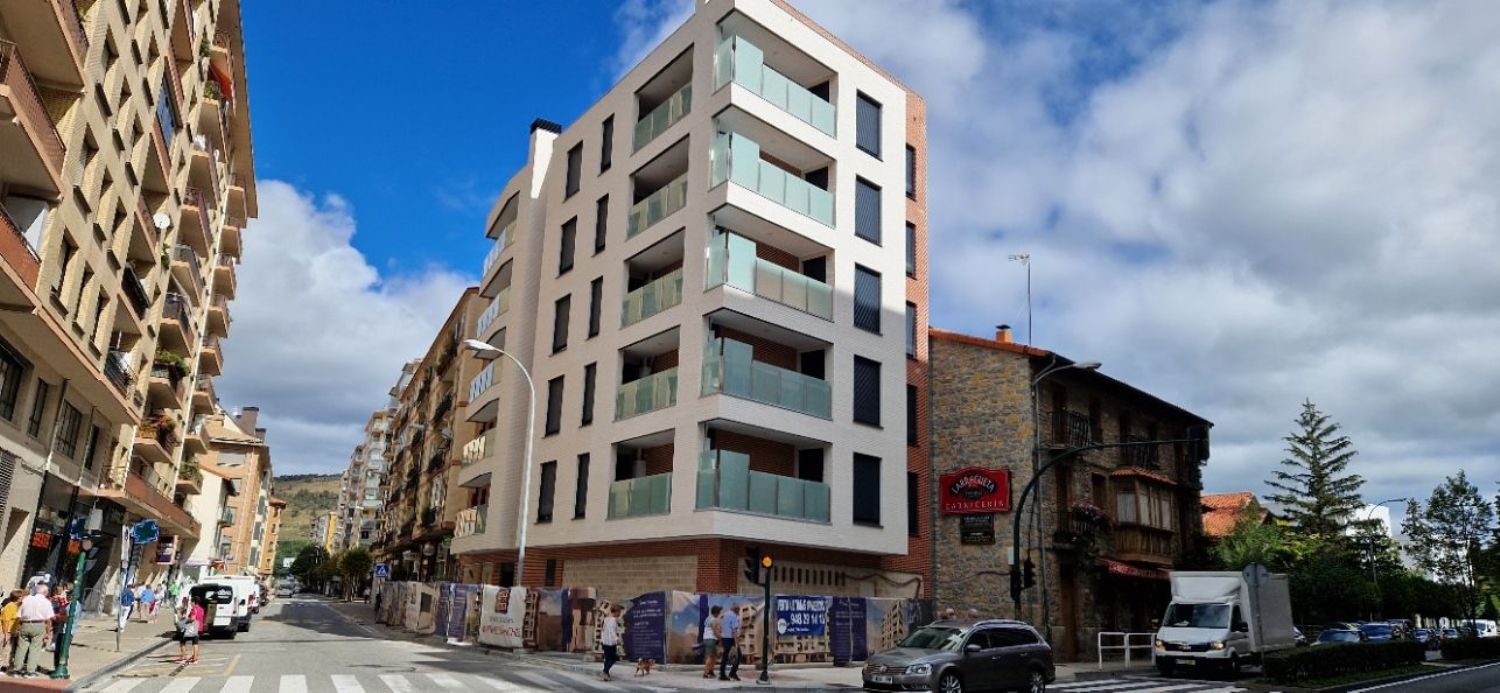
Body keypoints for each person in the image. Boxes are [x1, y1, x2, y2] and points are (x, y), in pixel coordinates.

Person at [11, 583, 53, 678]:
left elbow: (19, 615)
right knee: (35, 648)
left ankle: (16, 669)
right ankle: (30, 671)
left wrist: (17, 627)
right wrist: (48, 632)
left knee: (21, 647)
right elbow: (48, 619)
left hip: (25, 623)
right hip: (39, 624)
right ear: (45, 592)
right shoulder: (46, 602)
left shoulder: (27, 599)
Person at [174, 597, 204, 664]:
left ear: (194, 602)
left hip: (193, 628)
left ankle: (184, 658)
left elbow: (193, 618)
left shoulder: (194, 609)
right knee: (195, 643)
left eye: (191, 602)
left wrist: (186, 621)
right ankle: (195, 659)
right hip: (199, 627)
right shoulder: (201, 609)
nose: (190, 603)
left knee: (182, 641)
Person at [0, 590, 22, 673]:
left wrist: (15, 630)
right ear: (17, 598)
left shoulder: (16, 607)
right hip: (3, 631)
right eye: (21, 597)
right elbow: (5, 620)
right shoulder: (10, 606)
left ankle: (3, 666)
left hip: (10, 632)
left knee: (7, 650)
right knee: (2, 649)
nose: (22, 598)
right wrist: (6, 634)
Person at [719, 603, 741, 681]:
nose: (739, 612)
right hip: (730, 638)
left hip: (724, 638)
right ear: (736, 610)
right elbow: (734, 630)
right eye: (738, 610)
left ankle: (722, 674)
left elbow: (720, 628)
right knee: (738, 655)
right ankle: (733, 672)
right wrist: (736, 643)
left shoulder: (724, 615)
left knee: (725, 656)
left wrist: (721, 640)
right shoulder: (733, 616)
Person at [599, 605, 622, 682]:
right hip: (610, 643)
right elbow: (612, 631)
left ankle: (606, 674)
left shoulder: (606, 619)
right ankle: (605, 671)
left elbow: (603, 630)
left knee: (608, 658)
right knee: (614, 658)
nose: (619, 614)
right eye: (619, 612)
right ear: (616, 612)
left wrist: (602, 640)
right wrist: (617, 639)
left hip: (605, 642)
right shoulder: (613, 620)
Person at [701, 605, 722, 679]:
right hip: (711, 639)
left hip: (706, 638)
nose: (719, 614)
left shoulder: (708, 618)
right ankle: (705, 673)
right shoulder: (714, 620)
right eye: (719, 612)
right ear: (716, 612)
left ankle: (711, 671)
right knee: (710, 656)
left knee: (714, 656)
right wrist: (721, 638)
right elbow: (715, 631)